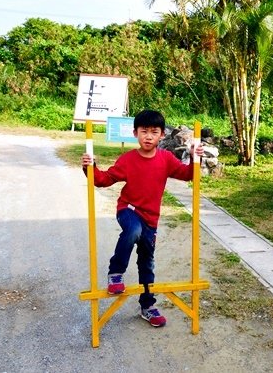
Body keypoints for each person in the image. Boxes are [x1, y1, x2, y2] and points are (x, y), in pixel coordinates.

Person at [81, 109, 205, 327]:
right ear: (135, 133)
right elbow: (104, 179)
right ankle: (115, 273)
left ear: (162, 135)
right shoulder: (128, 159)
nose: (148, 136)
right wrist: (90, 167)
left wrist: (196, 159)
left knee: (147, 263)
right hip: (128, 210)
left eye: (154, 132)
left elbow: (187, 175)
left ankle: (147, 306)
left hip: (151, 219)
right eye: (144, 131)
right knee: (133, 231)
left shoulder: (166, 159)